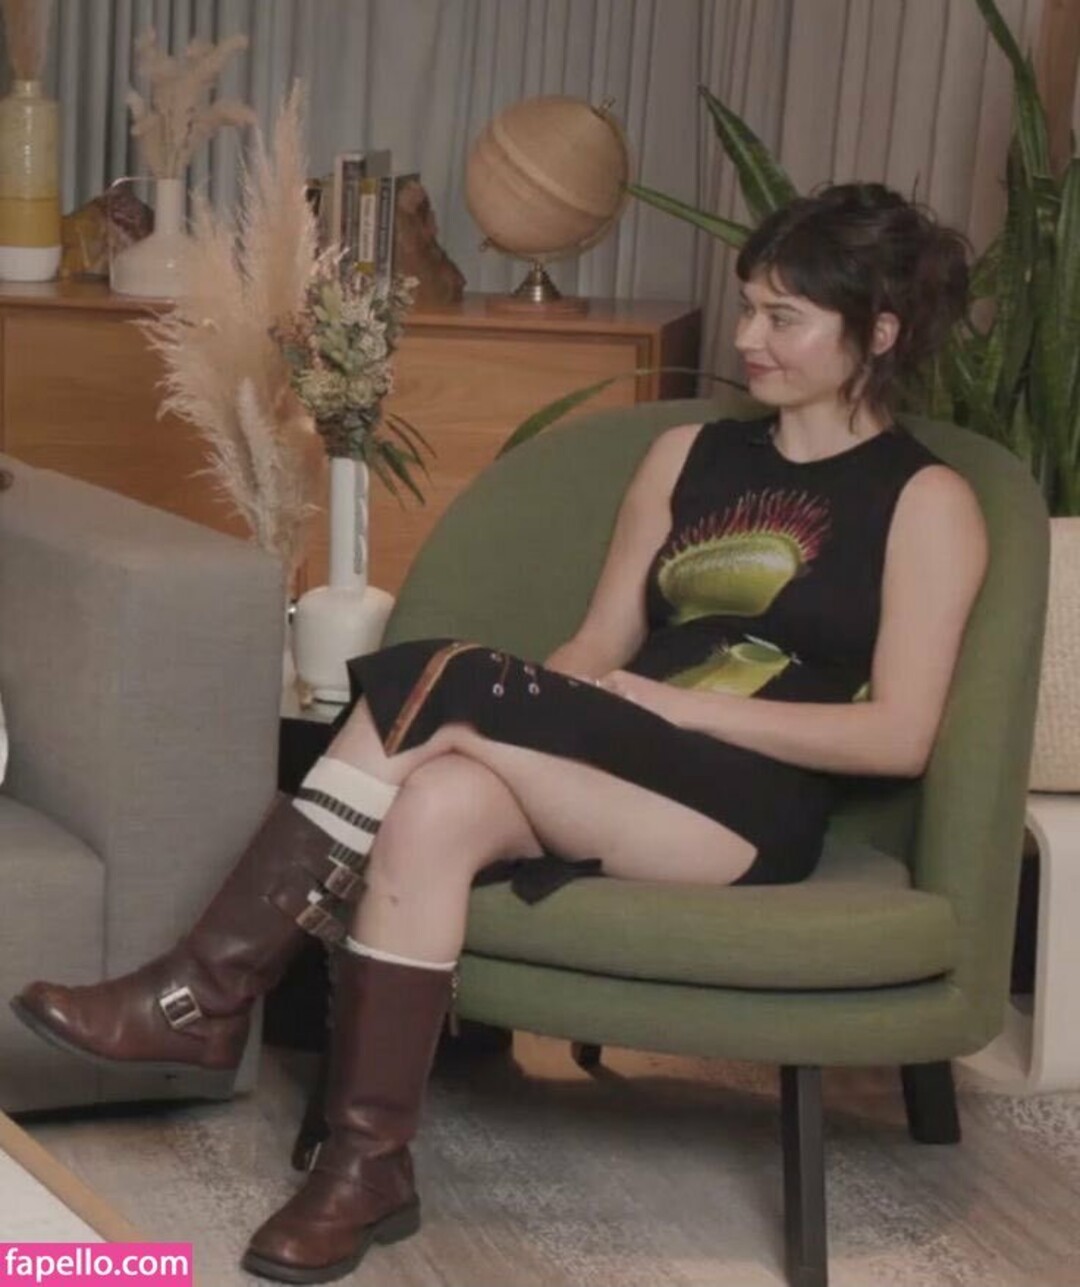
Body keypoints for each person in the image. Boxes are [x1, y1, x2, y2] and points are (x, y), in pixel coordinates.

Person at [11, 182, 987, 1284]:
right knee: (434, 800)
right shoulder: (688, 458)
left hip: (745, 806)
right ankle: (364, 1166)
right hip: (622, 749)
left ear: (879, 333)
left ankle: (202, 991)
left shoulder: (926, 501)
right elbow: (598, 643)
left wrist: (678, 707)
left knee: (452, 683)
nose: (749, 338)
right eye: (750, 306)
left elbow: (899, 737)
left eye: (784, 317)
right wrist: (533, 713)